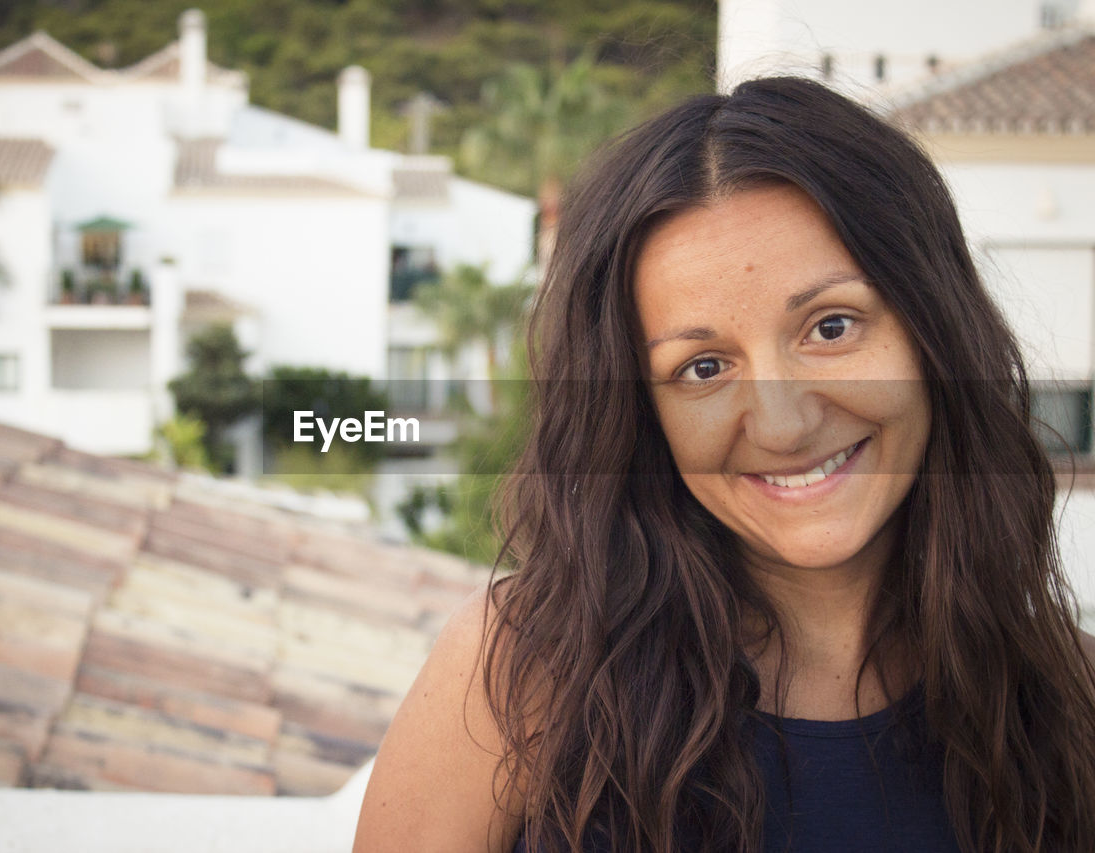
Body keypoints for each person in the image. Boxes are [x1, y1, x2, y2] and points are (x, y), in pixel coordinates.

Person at [353, 77, 1095, 852]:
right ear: (643, 413)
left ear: (932, 328)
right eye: (702, 368)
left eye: (830, 326)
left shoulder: (1066, 698)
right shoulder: (520, 675)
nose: (782, 423)